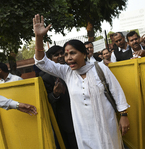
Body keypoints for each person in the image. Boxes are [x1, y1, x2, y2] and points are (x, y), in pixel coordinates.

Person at [33, 14, 130, 149]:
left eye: (72, 53)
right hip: (84, 130)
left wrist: (124, 116)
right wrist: (39, 37)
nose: (68, 58)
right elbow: (41, 62)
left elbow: (116, 91)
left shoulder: (99, 68)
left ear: (84, 54)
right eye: (66, 55)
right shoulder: (67, 73)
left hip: (107, 124)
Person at [39, 45, 78, 149]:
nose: (61, 56)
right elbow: (47, 101)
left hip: (82, 114)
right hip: (66, 121)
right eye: (57, 55)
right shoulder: (45, 78)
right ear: (50, 59)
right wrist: (55, 94)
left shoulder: (74, 69)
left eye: (63, 53)